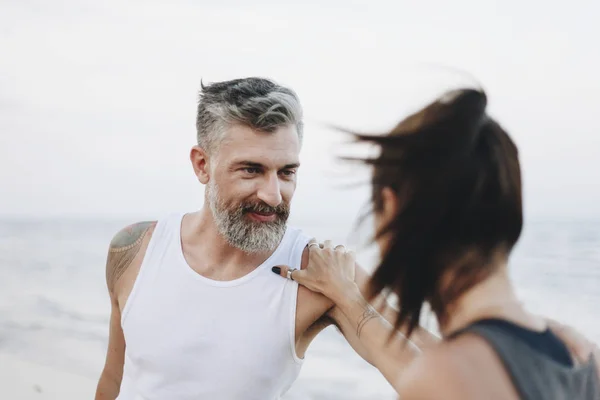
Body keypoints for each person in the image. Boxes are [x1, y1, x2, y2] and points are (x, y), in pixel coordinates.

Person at [95, 77, 438, 400]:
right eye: (251, 170)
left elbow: (442, 382)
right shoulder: (135, 248)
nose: (274, 195)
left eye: (287, 172)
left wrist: (348, 297)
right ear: (202, 165)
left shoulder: (316, 273)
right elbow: (114, 378)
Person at [272, 88, 600, 399]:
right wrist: (349, 297)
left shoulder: (445, 378)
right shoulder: (578, 353)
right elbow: (466, 358)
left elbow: (447, 372)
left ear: (391, 207)